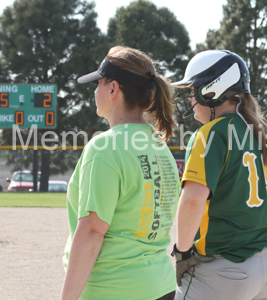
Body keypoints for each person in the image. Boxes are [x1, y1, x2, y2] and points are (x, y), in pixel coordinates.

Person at [171, 50, 267, 300]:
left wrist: (182, 253)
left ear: (211, 89)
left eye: (193, 89)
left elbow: (192, 200)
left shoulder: (211, 134)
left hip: (224, 271)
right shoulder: (261, 133)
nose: (190, 97)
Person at [61, 46, 181, 300]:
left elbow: (93, 231)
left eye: (99, 84)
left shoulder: (104, 147)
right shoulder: (159, 145)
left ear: (113, 89)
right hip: (160, 286)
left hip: (113, 288)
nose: (95, 92)